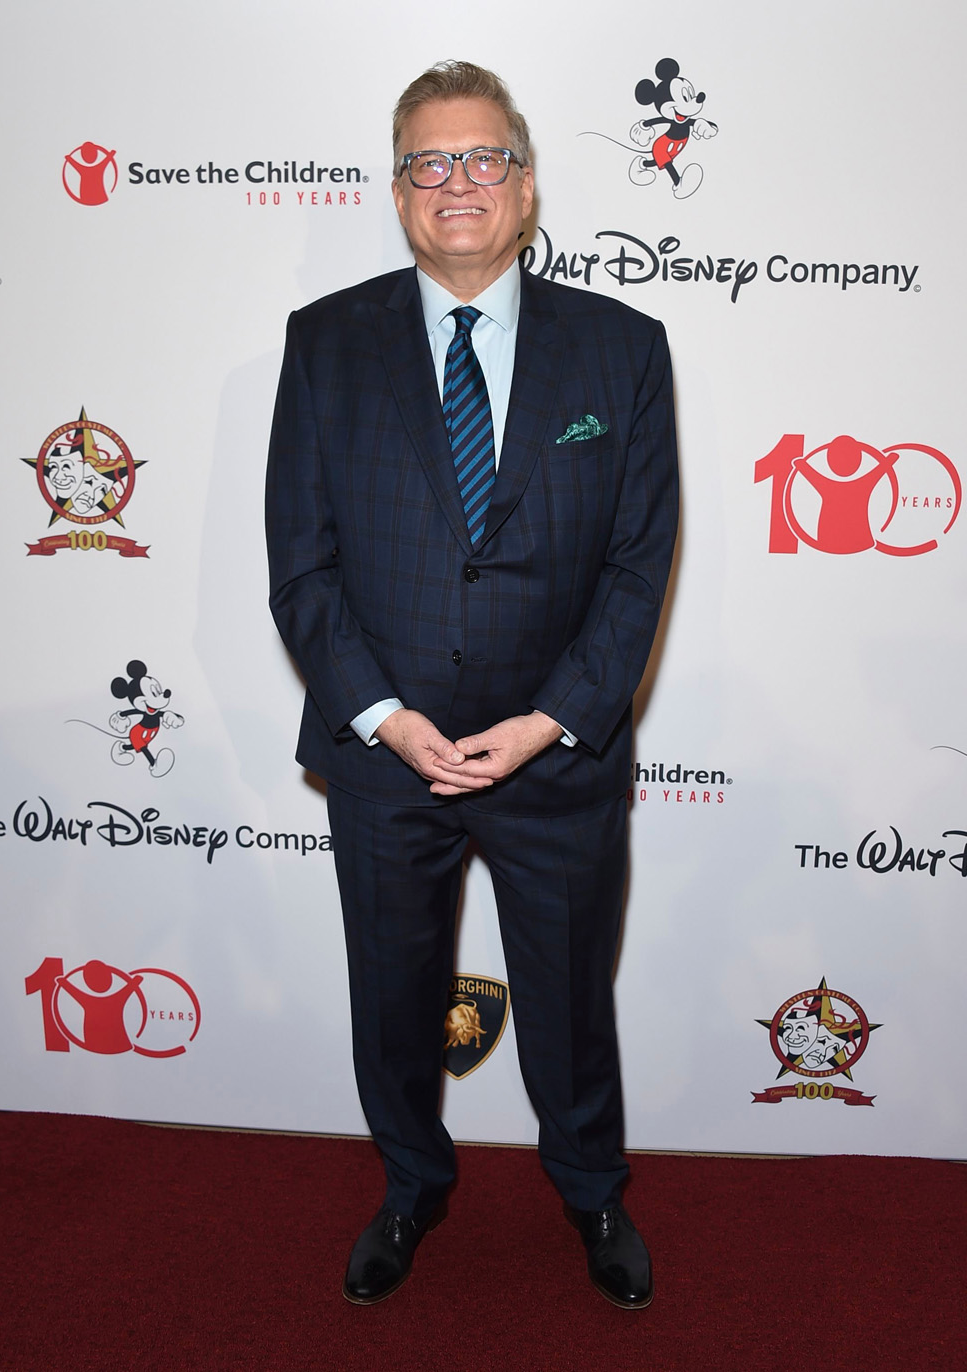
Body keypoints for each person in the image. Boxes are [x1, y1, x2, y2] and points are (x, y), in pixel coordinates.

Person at [266, 60, 679, 1309]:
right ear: (399, 191)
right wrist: (387, 721)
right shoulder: (324, 343)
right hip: (384, 759)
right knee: (391, 997)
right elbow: (302, 567)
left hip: (556, 756)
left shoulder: (623, 349)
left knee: (569, 1000)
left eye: (483, 157)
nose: (459, 182)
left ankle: (591, 1188)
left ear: (526, 183)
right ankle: (409, 1184)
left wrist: (551, 719)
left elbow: (637, 564)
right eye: (429, 162)